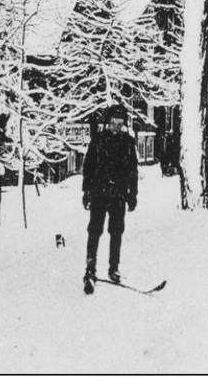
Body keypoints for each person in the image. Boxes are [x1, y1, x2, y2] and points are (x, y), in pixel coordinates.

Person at [82, 107, 139, 294]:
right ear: (108, 123)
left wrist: (132, 194)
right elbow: (88, 166)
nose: (116, 127)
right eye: (113, 124)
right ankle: (90, 268)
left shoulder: (128, 143)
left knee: (116, 231)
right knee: (94, 230)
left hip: (118, 195)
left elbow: (133, 170)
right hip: (99, 193)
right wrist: (87, 191)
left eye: (120, 125)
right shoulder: (98, 140)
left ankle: (114, 268)